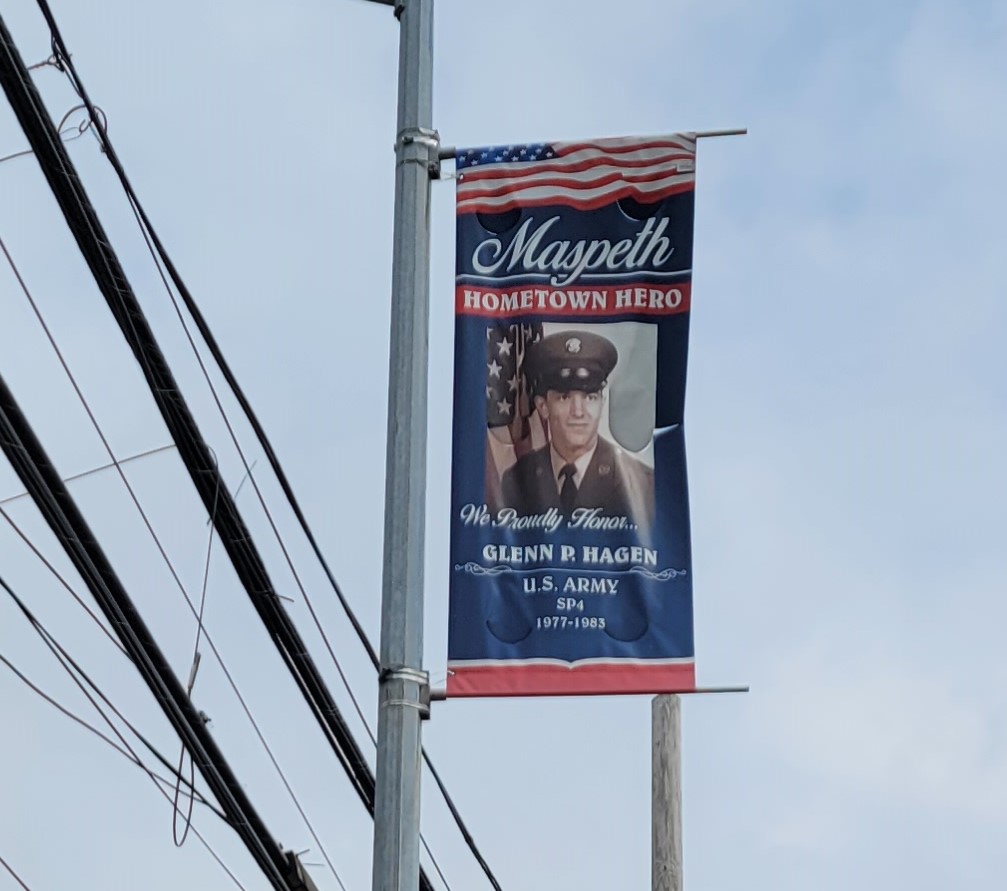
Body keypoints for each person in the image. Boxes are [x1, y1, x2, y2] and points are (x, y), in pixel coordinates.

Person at [500, 329, 654, 529]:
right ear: (543, 406)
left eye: (590, 397)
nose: (578, 412)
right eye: (564, 397)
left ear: (602, 403)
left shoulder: (641, 484)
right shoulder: (516, 481)